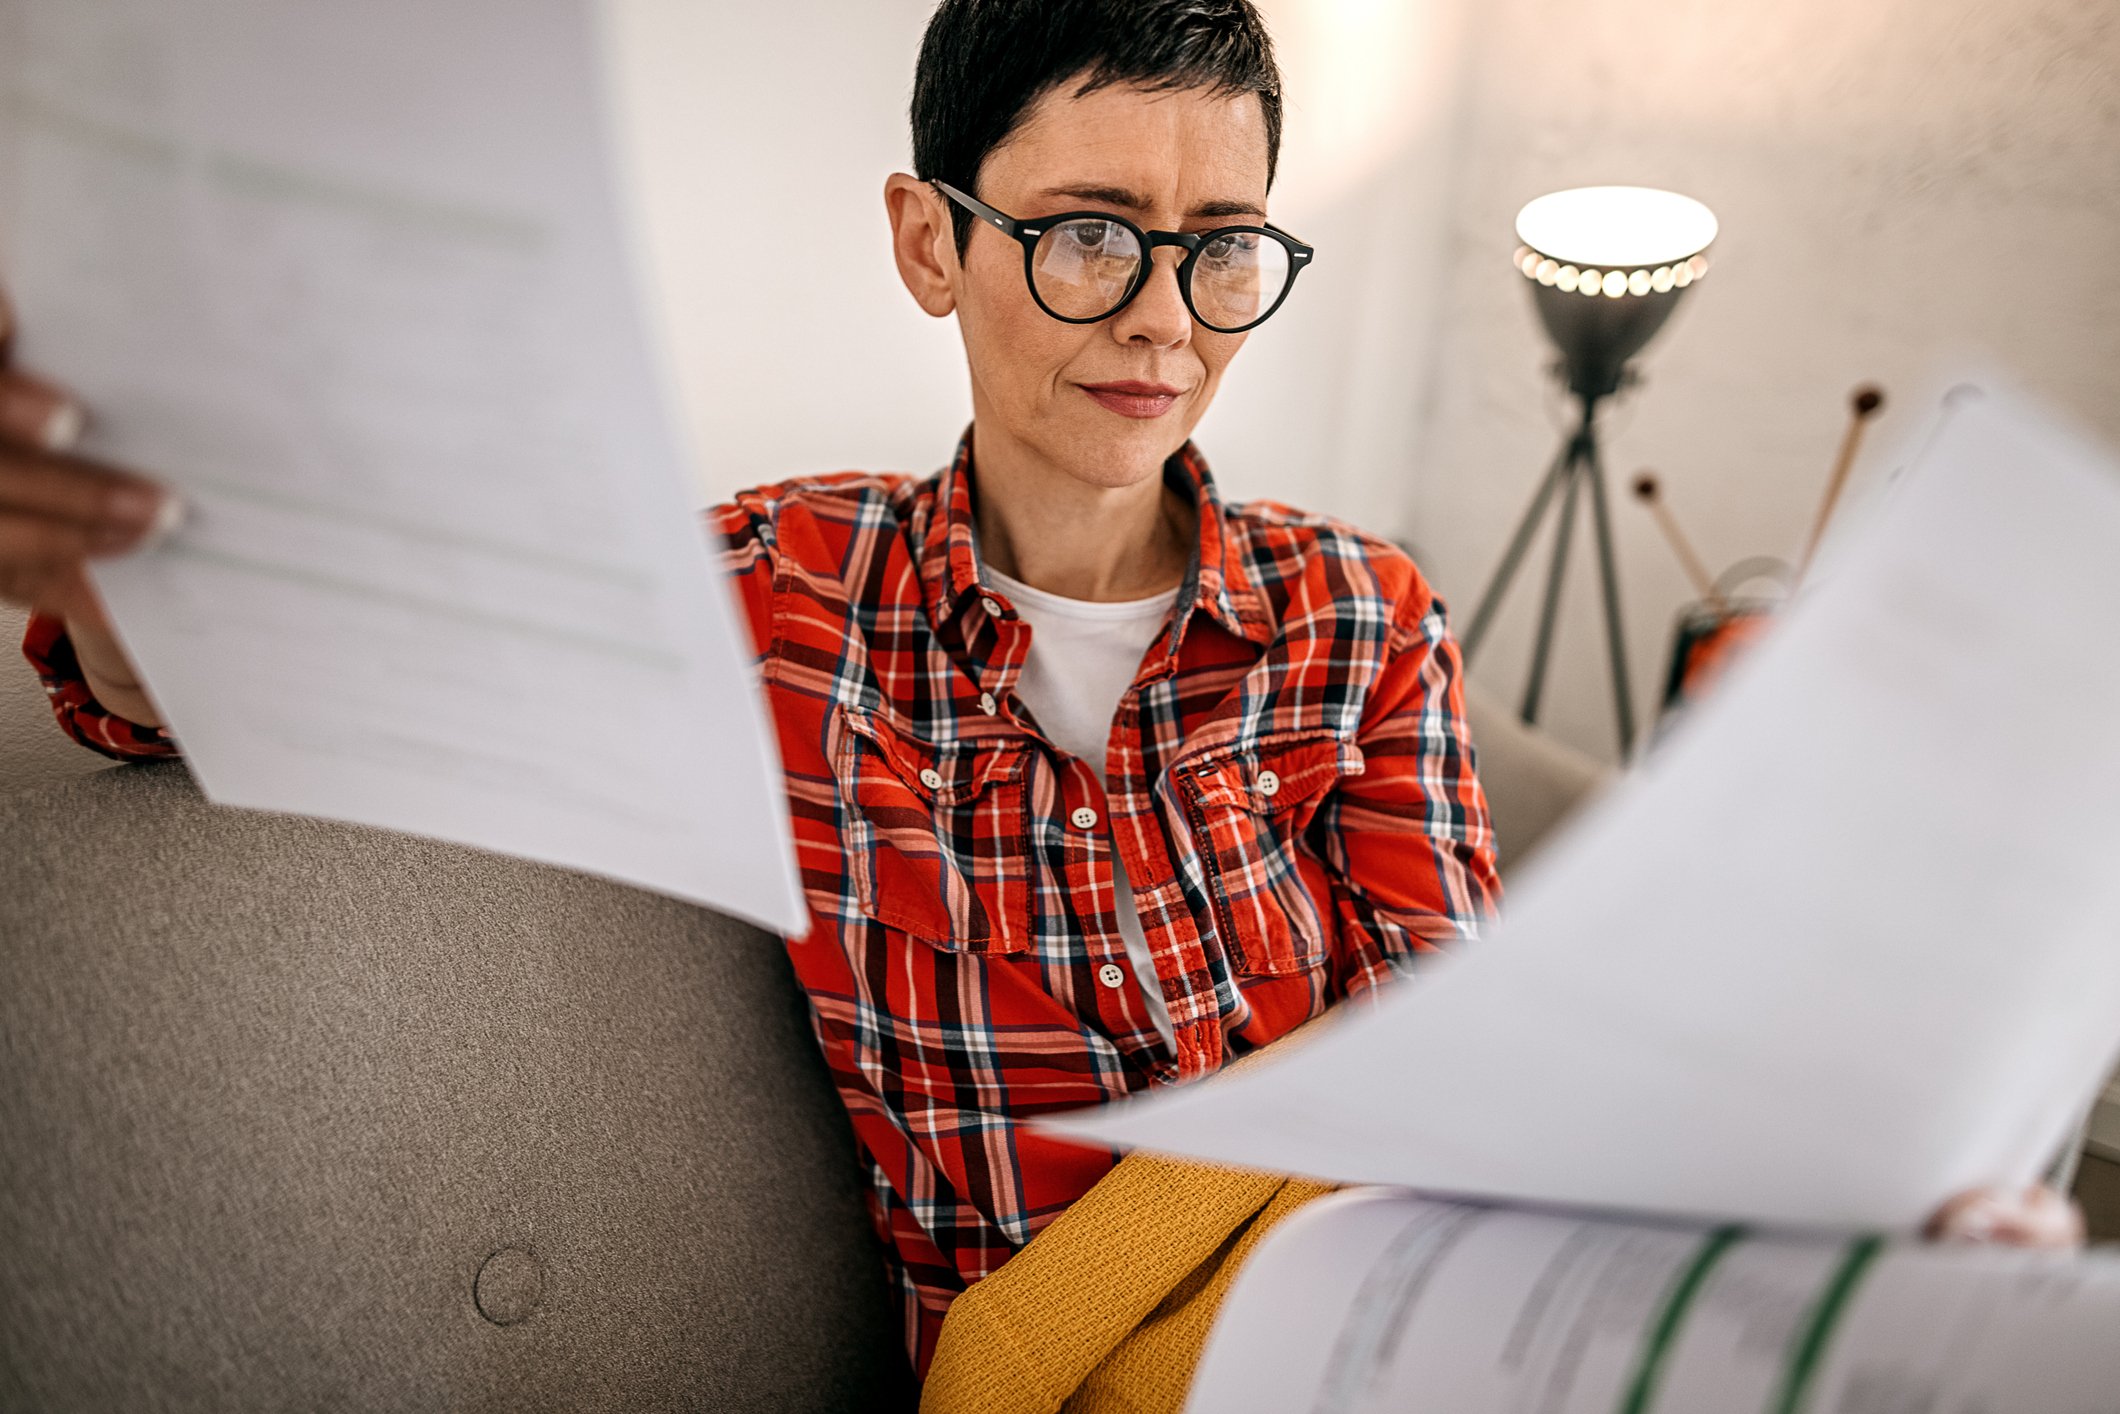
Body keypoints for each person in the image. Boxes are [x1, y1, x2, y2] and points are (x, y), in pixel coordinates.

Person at [1, 0, 2085, 1390]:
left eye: (1220, 246)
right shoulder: (778, 586)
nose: (1164, 320)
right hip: (1056, 1350)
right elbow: (243, 679)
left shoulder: (1359, 613)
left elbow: (1475, 1085)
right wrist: (93, 558)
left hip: (1395, 1303)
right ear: (933, 239)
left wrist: (1814, 1224)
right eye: (1088, 235)